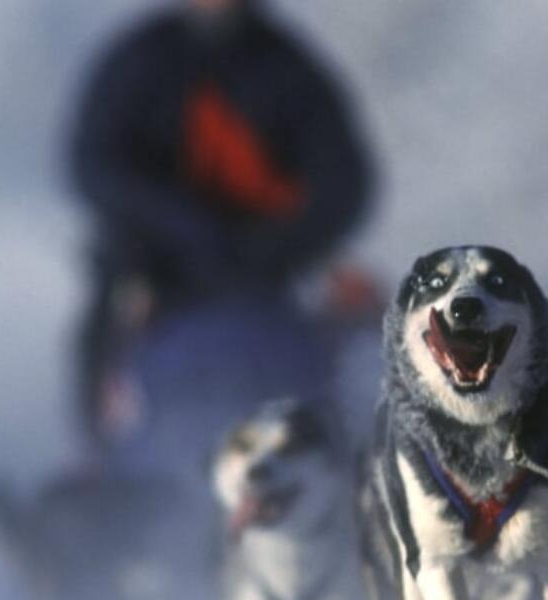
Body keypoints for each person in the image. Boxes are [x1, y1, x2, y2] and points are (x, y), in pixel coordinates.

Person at [68, 0, 374, 449]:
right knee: (114, 317)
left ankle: (332, 449)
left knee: (364, 323)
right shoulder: (142, 61)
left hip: (268, 277)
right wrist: (173, 226)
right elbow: (93, 161)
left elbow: (343, 181)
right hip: (155, 271)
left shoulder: (288, 70)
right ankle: (104, 453)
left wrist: (274, 243)